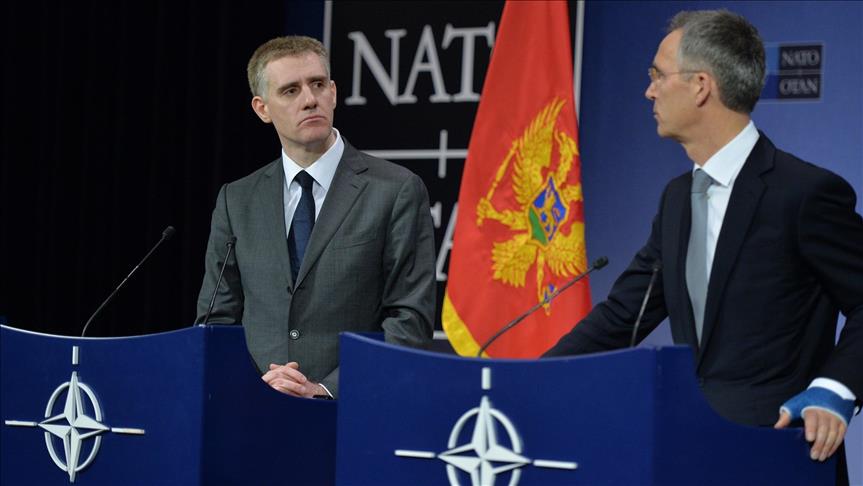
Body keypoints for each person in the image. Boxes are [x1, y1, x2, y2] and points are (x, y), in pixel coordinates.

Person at [544, 10, 862, 482]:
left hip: (779, 456)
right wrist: (529, 380)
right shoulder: (678, 198)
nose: (648, 91)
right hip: (692, 451)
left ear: (700, 86)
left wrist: (836, 389)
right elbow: (622, 317)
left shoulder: (804, 193)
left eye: (658, 75)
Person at [196, 36, 435, 399]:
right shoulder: (237, 199)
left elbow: (410, 320)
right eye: (290, 90)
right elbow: (215, 321)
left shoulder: (395, 190)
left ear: (333, 93)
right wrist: (253, 387)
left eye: (318, 84)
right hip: (255, 408)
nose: (310, 99)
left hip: (353, 409)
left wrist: (325, 389)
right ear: (262, 109)